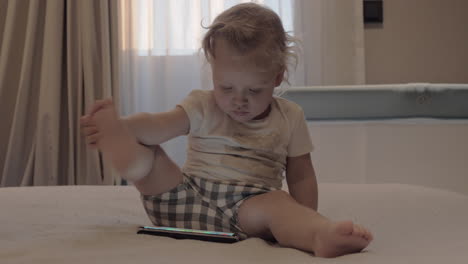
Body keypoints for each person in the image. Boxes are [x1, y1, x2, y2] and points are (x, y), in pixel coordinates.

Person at [80, 3, 373, 258]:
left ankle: (317, 235)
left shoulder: (290, 117)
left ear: (277, 77)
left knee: (279, 205)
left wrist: (306, 218)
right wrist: (125, 127)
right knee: (151, 157)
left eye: (254, 90)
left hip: (248, 209)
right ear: (213, 71)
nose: (239, 100)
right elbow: (158, 126)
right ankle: (123, 144)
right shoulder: (202, 104)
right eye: (226, 87)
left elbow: (302, 174)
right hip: (182, 199)